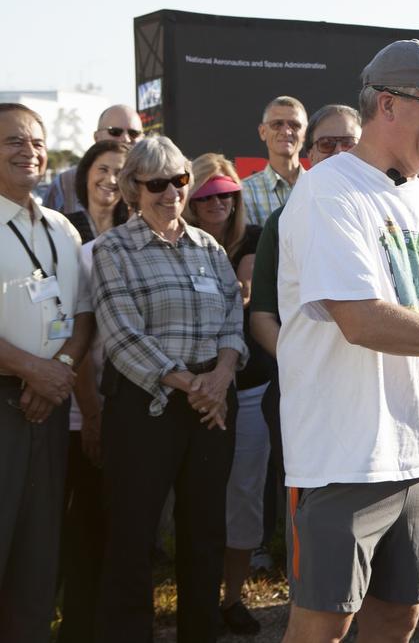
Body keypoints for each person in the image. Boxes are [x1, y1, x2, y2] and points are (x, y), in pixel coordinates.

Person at [275, 39, 419, 643]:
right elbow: (363, 320)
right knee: (323, 625)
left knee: (401, 614)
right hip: (342, 459)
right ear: (387, 105)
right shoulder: (328, 190)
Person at [92, 135, 246, 643]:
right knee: (133, 535)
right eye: (155, 183)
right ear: (133, 190)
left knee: (204, 532)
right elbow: (122, 335)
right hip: (145, 406)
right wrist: (192, 385)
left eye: (179, 180)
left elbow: (232, 321)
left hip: (211, 407)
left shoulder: (209, 247)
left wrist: (219, 379)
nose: (170, 192)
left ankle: (200, 634)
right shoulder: (114, 248)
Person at [246, 103, 360, 573]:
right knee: (312, 517)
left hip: (370, 395)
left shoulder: (390, 211)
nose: (335, 152)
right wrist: (299, 363)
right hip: (309, 394)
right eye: (326, 144)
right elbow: (262, 315)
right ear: (310, 152)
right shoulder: (284, 219)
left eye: (346, 142)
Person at [0, 103, 91, 642]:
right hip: (6, 400)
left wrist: (57, 371)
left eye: (36, 141)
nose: (28, 151)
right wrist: (31, 369)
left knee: (38, 558)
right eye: (13, 140)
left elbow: (80, 315)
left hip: (49, 405)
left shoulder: (61, 227)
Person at [182, 154, 268, 636]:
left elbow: (246, 297)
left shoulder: (252, 239)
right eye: (205, 194)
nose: (216, 202)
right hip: (189, 390)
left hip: (249, 387)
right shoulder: (173, 244)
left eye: (225, 194)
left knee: (243, 495)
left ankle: (232, 597)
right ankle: (195, 595)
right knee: (195, 499)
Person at [58, 141, 131, 643]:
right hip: (82, 412)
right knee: (79, 526)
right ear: (84, 176)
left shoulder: (133, 239)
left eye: (119, 172)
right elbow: (78, 338)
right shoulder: (70, 241)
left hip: (126, 411)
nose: (109, 179)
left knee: (113, 528)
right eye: (101, 169)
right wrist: (91, 414)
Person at [45, 104, 143, 215]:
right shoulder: (65, 183)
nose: (126, 139)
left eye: (133, 133)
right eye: (115, 132)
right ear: (97, 138)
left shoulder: (155, 184)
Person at [240, 96, 308, 225]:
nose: (286, 131)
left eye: (295, 125)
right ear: (263, 132)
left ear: (306, 134)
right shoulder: (244, 192)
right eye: (277, 124)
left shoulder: (318, 185)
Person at [66, 140, 131, 242]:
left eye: (119, 173)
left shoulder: (134, 230)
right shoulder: (64, 227)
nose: (111, 180)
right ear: (86, 173)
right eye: (103, 169)